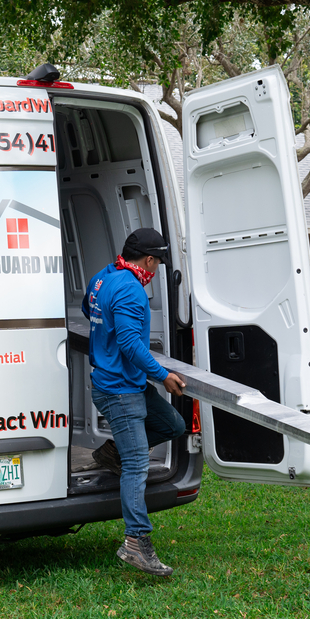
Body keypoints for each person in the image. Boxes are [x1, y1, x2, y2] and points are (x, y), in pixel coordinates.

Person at [82, 227, 187, 576]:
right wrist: (163, 376)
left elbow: (88, 309)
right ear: (149, 259)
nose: (156, 271)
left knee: (173, 425)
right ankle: (136, 544)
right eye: (156, 263)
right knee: (137, 464)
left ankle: (112, 452)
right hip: (119, 389)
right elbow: (129, 343)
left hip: (126, 381)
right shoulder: (129, 289)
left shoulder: (104, 276)